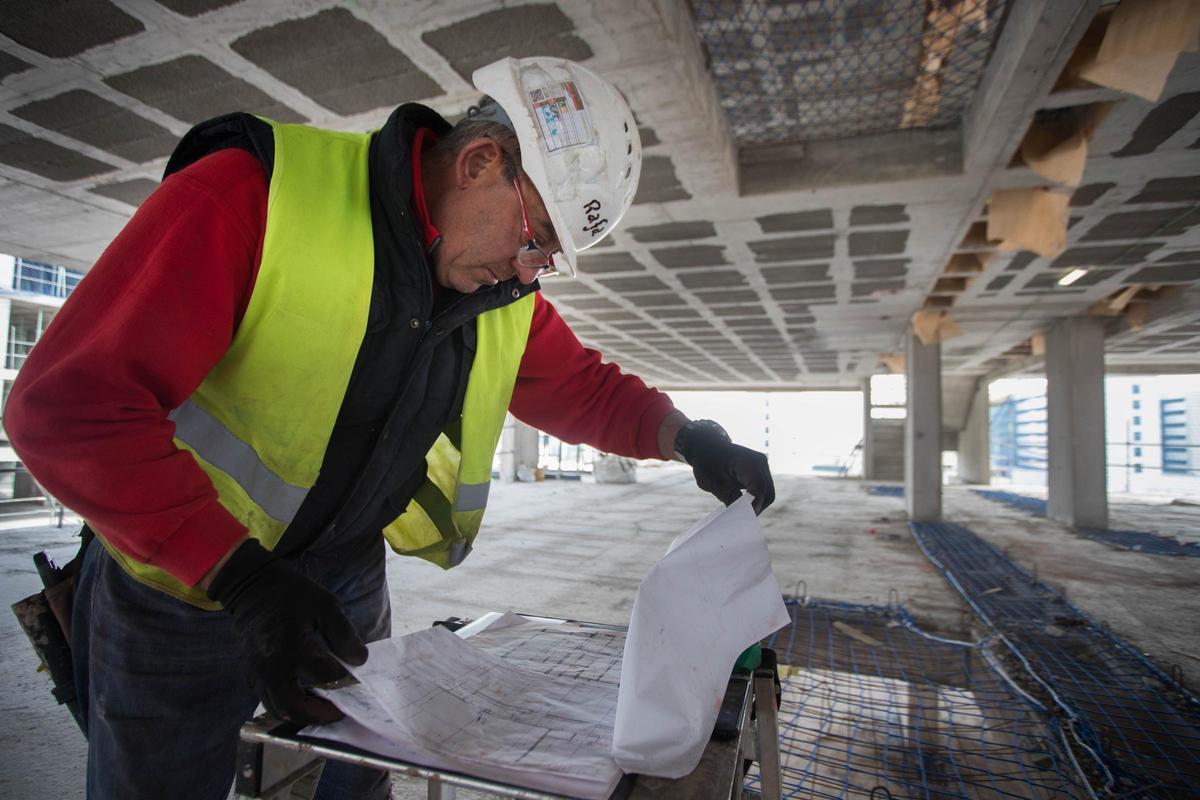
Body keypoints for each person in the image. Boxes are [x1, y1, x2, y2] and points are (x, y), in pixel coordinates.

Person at [6, 56, 774, 799]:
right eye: (536, 237)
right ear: (479, 162)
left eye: (550, 259)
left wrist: (684, 435)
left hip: (340, 581)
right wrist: (236, 575)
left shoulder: (496, 294)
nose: (531, 269)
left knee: (354, 778)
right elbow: (69, 408)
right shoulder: (254, 198)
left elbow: (578, 387)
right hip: (182, 589)